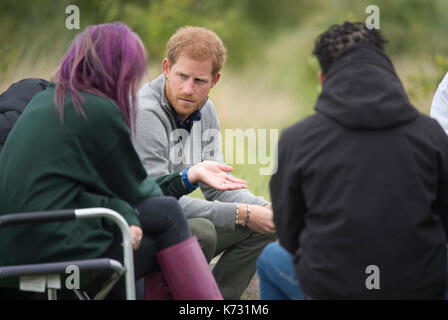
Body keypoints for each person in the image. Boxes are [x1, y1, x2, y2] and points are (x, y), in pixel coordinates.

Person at [0, 22, 248, 300]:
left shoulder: (45, 100)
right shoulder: (98, 110)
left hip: (14, 252)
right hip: (56, 251)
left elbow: (103, 190)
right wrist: (187, 178)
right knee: (168, 214)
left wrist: (181, 180)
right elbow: (141, 191)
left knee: (147, 225)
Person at [257, 21, 448, 299]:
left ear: (323, 78)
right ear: (387, 68)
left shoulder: (296, 139)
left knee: (270, 256)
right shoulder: (431, 135)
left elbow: (289, 234)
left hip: (332, 288)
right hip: (419, 288)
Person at [133, 26, 276, 299]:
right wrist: (243, 213)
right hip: (140, 224)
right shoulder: (145, 112)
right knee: (203, 232)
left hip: (169, 219)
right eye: (182, 76)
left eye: (199, 80)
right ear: (166, 68)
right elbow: (156, 202)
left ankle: (215, 300)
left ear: (215, 80)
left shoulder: (204, 109)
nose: (188, 89)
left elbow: (218, 187)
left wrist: (264, 208)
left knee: (266, 227)